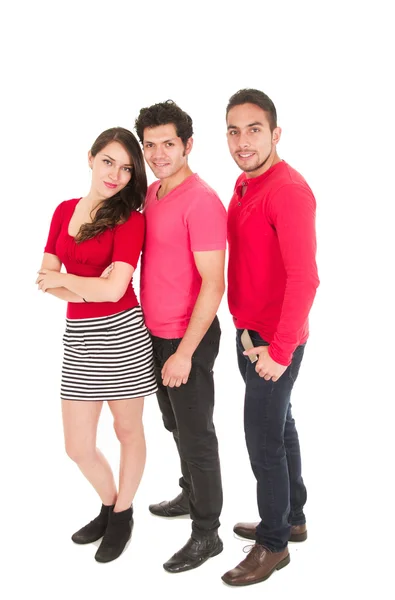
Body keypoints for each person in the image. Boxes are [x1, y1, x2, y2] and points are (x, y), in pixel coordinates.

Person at [36, 127, 157, 563]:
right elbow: (43, 279)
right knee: (78, 447)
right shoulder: (64, 210)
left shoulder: (131, 219)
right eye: (108, 161)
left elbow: (114, 290)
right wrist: (88, 285)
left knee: (128, 432)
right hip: (81, 339)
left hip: (123, 334)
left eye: (127, 168)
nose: (117, 174)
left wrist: (68, 281)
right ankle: (110, 504)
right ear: (90, 158)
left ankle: (123, 514)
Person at [221, 89, 320, 586]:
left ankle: (273, 543)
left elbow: (305, 279)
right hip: (251, 333)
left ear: (275, 133)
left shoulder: (287, 190)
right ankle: (292, 517)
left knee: (262, 441)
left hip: (274, 341)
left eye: (254, 129)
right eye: (234, 131)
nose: (243, 141)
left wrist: (279, 352)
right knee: (279, 428)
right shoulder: (245, 185)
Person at [134, 100, 227, 573]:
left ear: (188, 145)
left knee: (197, 436)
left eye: (168, 144)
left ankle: (207, 533)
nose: (158, 153)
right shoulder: (153, 194)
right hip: (156, 334)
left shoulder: (203, 200)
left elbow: (214, 284)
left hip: (187, 338)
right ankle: (191, 495)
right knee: (174, 425)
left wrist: (185, 353)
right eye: (150, 145)